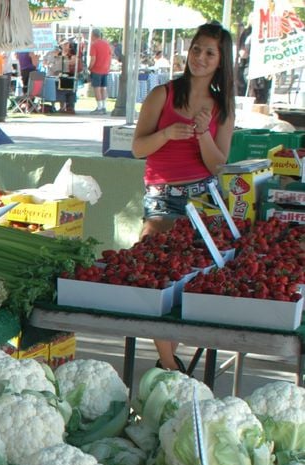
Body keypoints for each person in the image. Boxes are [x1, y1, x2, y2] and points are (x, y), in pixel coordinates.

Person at [131, 22, 235, 373]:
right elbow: (138, 148)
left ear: (221, 61)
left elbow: (217, 164)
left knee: (198, 280)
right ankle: (169, 366)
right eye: (196, 49)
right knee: (156, 276)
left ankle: (170, 367)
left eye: (209, 52)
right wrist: (166, 134)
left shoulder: (223, 107)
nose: (200, 58)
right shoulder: (163, 94)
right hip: (162, 197)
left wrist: (203, 134)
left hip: (204, 198)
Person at [88, 29, 112, 115]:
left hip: (97, 69)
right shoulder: (106, 44)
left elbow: (93, 58)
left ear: (93, 35)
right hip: (105, 69)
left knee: (97, 88)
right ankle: (104, 106)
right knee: (103, 88)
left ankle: (99, 107)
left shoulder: (94, 45)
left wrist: (90, 67)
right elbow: (110, 57)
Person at [54, 40, 78, 114]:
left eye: (67, 44)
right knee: (61, 92)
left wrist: (63, 61)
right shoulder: (59, 53)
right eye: (64, 44)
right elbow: (56, 63)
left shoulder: (72, 53)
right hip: (61, 75)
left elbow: (73, 62)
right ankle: (62, 107)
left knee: (70, 91)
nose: (65, 46)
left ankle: (70, 107)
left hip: (70, 75)